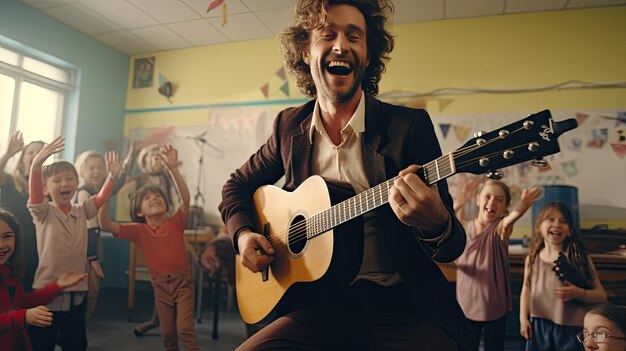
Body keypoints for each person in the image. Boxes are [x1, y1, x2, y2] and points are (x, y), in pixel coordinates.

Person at [218, 1, 476, 350]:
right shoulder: (288, 128)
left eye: (354, 36)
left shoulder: (408, 128)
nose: (341, 45)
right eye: (328, 35)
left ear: (367, 57)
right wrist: (244, 235)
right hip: (314, 305)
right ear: (306, 52)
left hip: (397, 306)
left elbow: (452, 246)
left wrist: (435, 222)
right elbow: (236, 186)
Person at [99, 144, 199, 351]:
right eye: (146, 198)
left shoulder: (176, 222)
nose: (153, 198)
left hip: (183, 284)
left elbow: (185, 198)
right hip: (161, 287)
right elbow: (105, 224)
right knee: (168, 335)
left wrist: (173, 168)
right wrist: (109, 184)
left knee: (185, 330)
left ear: (167, 205)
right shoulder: (138, 230)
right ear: (139, 211)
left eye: (158, 196)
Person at [27, 136, 120, 350]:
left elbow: (100, 199)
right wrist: (37, 164)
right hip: (48, 288)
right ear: (46, 189)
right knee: (42, 342)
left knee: (76, 343)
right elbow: (34, 195)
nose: (64, 184)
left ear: (77, 184)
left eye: (69, 179)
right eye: (57, 180)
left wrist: (113, 176)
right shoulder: (43, 211)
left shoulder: (81, 209)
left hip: (77, 289)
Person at [454, 179, 541, 351]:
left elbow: (511, 219)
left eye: (499, 199)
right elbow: (452, 217)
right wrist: (461, 198)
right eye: (488, 196)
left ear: (505, 207)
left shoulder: (499, 229)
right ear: (478, 200)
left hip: (494, 306)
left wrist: (523, 205)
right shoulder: (465, 227)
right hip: (466, 304)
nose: (492, 202)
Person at [520, 202, 607, 351]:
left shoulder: (579, 258)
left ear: (570, 230)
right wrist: (523, 318)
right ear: (538, 227)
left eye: (563, 221)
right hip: (539, 326)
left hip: (572, 329)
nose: (557, 224)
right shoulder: (533, 257)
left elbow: (601, 296)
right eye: (550, 219)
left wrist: (579, 293)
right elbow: (526, 289)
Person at [0, 209, 88, 351]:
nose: (1, 245)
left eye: (7, 236)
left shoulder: (8, 271)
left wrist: (58, 286)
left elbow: (23, 302)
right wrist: (23, 317)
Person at [73, 146, 134, 320]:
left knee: (91, 290)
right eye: (91, 168)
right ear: (82, 170)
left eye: (100, 167)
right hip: (86, 248)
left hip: (91, 245)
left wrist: (130, 155)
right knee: (89, 290)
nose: (97, 171)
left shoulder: (96, 190)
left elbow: (118, 183)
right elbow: (89, 225)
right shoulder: (84, 191)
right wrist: (93, 259)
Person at [0, 131, 44, 291]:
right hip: (12, 242)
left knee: (28, 289)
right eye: (31, 152)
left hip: (37, 245)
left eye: (41, 151)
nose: (36, 155)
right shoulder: (12, 180)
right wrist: (8, 154)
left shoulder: (49, 184)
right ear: (23, 157)